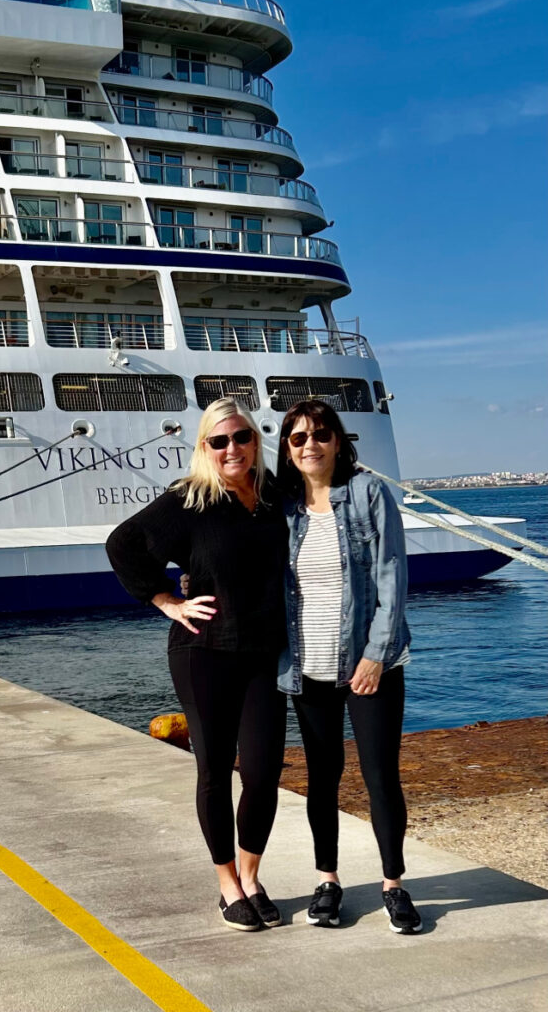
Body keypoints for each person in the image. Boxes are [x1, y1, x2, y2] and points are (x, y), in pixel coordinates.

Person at [106, 398, 288, 932]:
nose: (232, 448)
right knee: (214, 771)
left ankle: (253, 876)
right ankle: (228, 885)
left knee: (262, 773)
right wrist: (167, 600)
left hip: (263, 653)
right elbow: (122, 545)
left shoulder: (274, 495)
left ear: (255, 440)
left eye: (241, 437)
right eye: (219, 440)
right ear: (205, 446)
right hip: (202, 651)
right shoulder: (190, 499)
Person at [276, 399, 421, 935]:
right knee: (322, 778)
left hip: (369, 665)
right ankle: (328, 881)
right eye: (297, 438)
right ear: (287, 450)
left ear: (338, 441)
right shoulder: (284, 508)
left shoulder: (369, 494)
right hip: (306, 668)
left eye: (319, 434)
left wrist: (375, 656)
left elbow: (393, 580)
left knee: (381, 775)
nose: (309, 444)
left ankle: (393, 885)